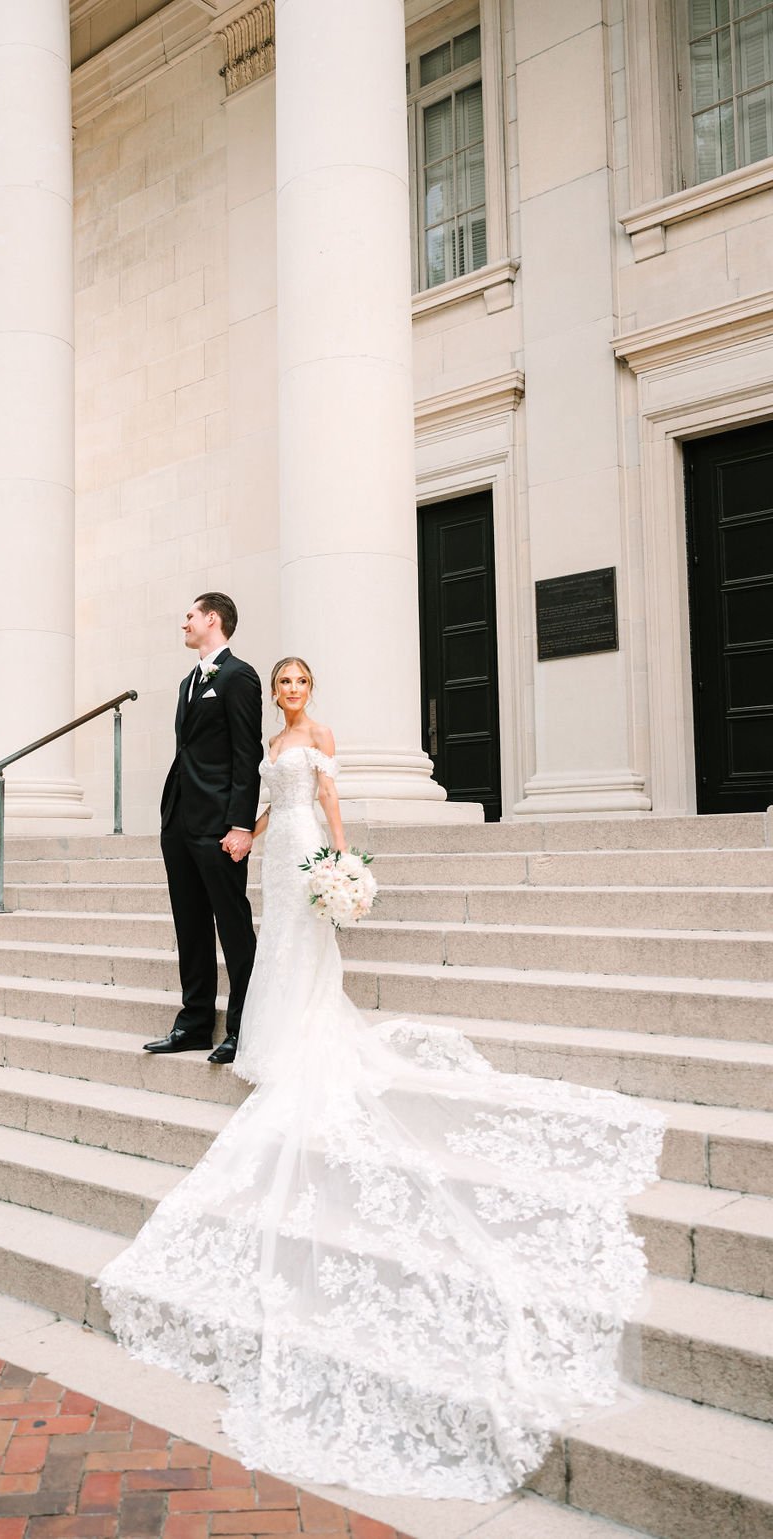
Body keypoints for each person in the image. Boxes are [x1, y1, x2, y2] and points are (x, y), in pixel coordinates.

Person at [101, 656, 664, 1502]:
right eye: (283, 686)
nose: (289, 695)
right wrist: (249, 829)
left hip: (309, 851)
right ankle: (272, 1039)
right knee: (277, 943)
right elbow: (269, 797)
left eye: (296, 685)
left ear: (310, 690)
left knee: (302, 945)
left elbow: (326, 800)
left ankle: (299, 1041)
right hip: (270, 844)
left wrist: (340, 865)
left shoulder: (318, 737)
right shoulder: (272, 739)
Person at [143, 593, 263, 1066]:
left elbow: (245, 754)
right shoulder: (187, 682)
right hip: (179, 821)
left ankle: (242, 1028)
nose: (184, 624)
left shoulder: (238, 676)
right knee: (189, 925)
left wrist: (241, 823)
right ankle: (193, 1024)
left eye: (189, 616)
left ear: (212, 619)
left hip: (219, 825)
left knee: (232, 926)